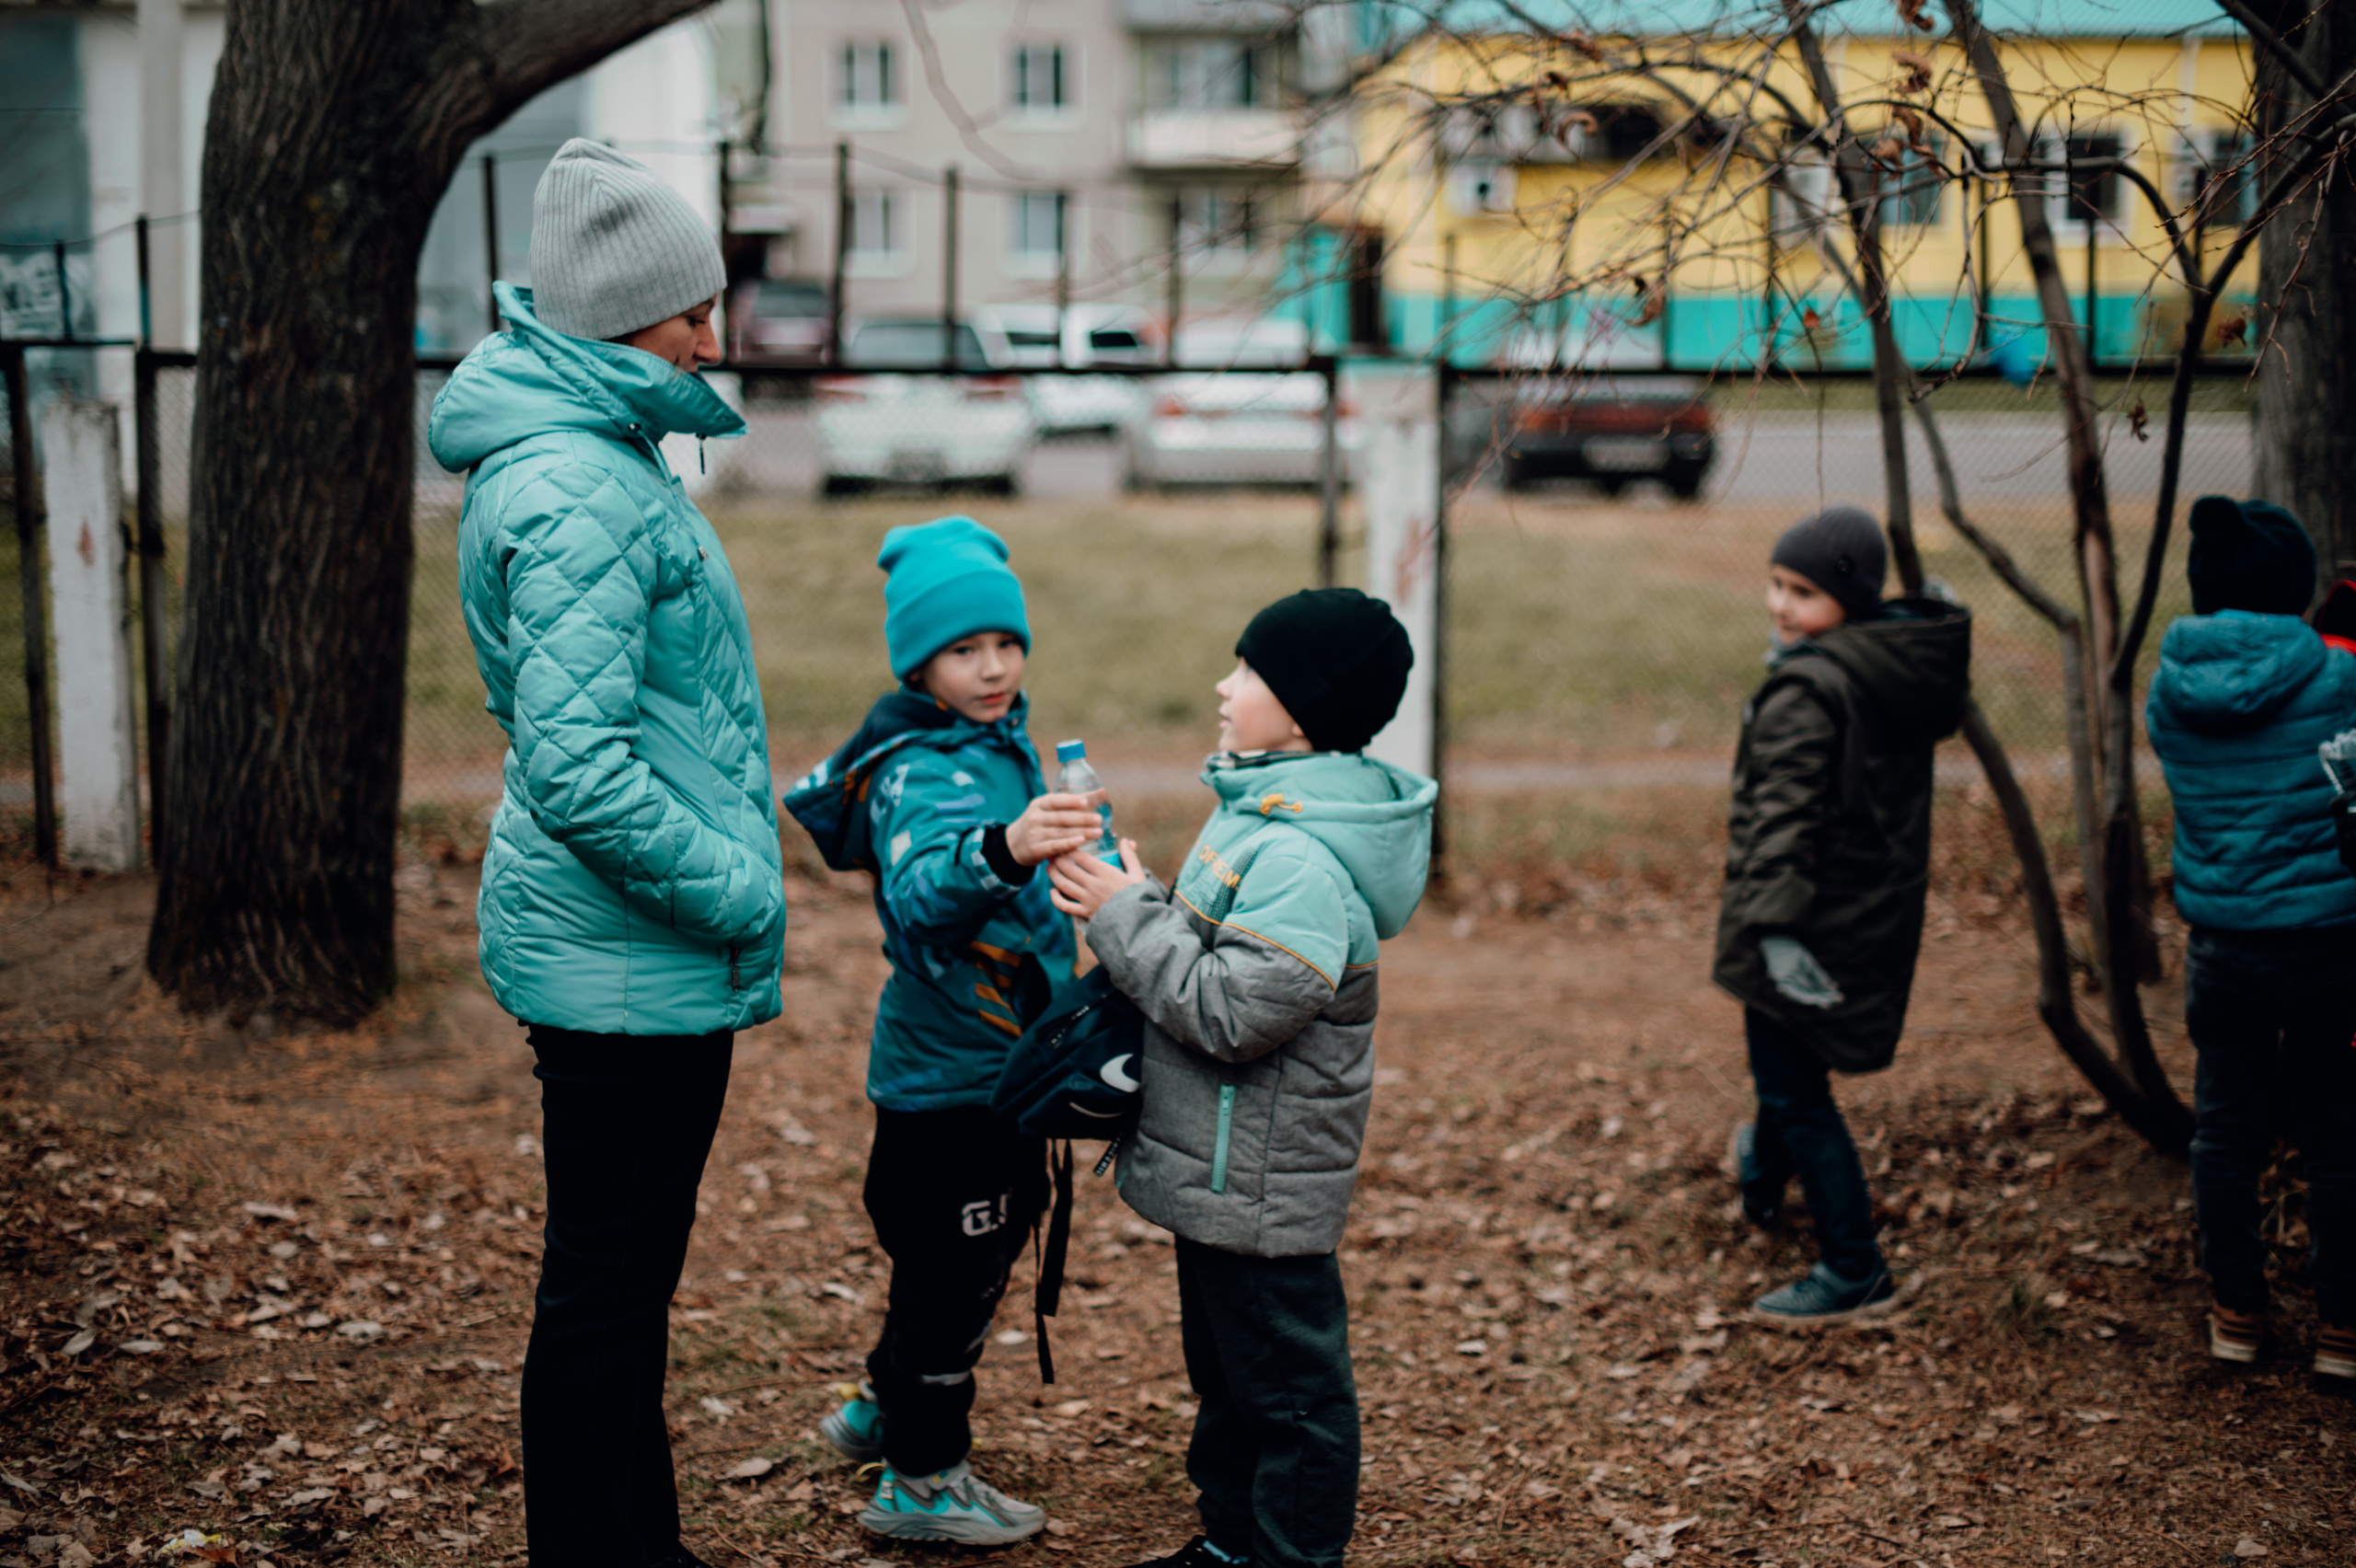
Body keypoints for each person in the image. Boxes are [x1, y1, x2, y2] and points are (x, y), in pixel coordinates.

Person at [430, 140, 782, 1568]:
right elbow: (579, 768)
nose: (713, 338)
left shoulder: (599, 459)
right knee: (604, 1292)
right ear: (619, 318)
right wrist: (734, 888)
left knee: (625, 1288)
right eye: (690, 312)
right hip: (626, 949)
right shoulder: (575, 485)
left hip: (629, 946)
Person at [1048, 588, 1434, 1568]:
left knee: (1290, 1396)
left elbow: (1231, 1015)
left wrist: (1124, 917)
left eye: (1251, 672)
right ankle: (1231, 1544)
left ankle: (1288, 1556)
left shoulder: (1299, 858)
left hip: (1261, 1182)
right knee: (1230, 1376)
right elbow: (1214, 956)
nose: (1226, 687)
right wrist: (1138, 896)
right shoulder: (1260, 814)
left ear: (1305, 710)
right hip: (1226, 1169)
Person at [780, 516, 1107, 1544]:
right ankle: (921, 1481)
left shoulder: (992, 744)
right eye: (965, 649)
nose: (994, 667)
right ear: (918, 665)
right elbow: (923, 893)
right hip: (953, 1075)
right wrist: (1007, 848)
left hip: (993, 1062)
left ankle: (882, 1410)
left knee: (962, 1248)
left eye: (1006, 643)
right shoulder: (923, 768)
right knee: (952, 1271)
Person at [1714, 506, 1971, 1328]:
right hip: (1861, 910)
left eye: (1804, 593)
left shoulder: (1811, 688)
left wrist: (1774, 931)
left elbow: (1782, 821)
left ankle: (1854, 1267)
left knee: (1795, 1089)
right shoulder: (1881, 669)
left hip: (1805, 922)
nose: (1781, 605)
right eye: (1776, 584)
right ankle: (1761, 1179)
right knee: (1788, 1073)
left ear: (1851, 604)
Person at [2144, 495, 2356, 1379]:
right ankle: (2343, 1327)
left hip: (2222, 946)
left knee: (2226, 1131)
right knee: (2337, 1132)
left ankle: (2236, 1310)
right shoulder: (2338, 676)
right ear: (2294, 588)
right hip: (2326, 945)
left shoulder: (2169, 691)